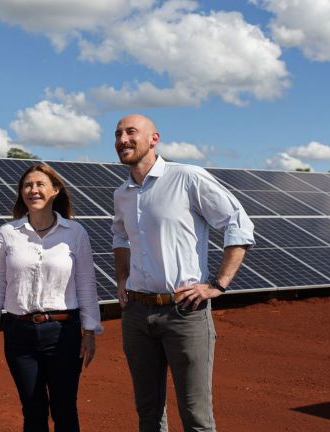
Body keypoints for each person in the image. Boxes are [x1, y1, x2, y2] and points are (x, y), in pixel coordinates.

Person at [112, 114, 255, 432]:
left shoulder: (187, 178)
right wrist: (122, 278)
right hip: (136, 313)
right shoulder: (122, 194)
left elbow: (238, 223)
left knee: (196, 417)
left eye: (131, 132)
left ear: (154, 138)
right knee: (148, 414)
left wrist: (218, 284)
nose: (122, 140)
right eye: (118, 134)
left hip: (184, 312)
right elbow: (120, 237)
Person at [0, 163, 103, 432]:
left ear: (55, 190)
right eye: (27, 185)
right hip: (19, 334)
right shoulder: (7, 233)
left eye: (40, 184)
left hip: (63, 333)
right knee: (33, 410)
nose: (33, 190)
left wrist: (89, 331)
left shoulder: (75, 233)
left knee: (64, 409)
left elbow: (86, 283)